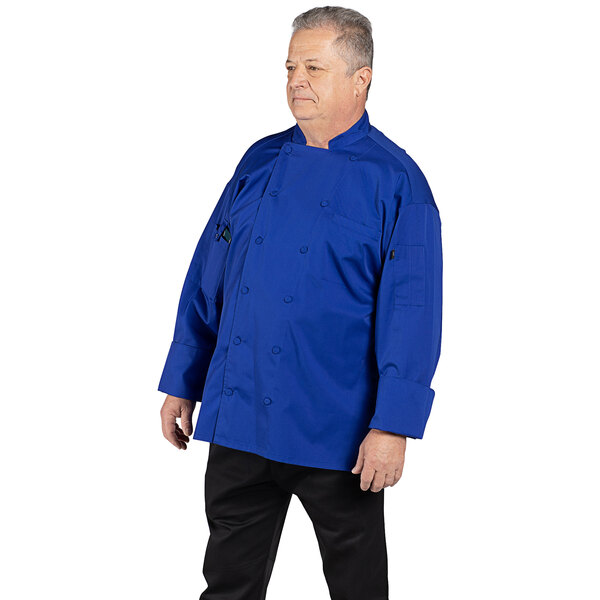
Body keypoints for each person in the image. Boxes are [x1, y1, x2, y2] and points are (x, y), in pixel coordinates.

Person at [158, 6, 443, 599]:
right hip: (240, 413)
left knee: (357, 588)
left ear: (361, 79)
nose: (296, 81)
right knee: (227, 584)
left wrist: (393, 424)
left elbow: (412, 313)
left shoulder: (398, 182)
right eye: (290, 67)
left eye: (314, 68)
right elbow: (210, 272)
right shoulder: (259, 160)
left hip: (337, 428)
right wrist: (183, 379)